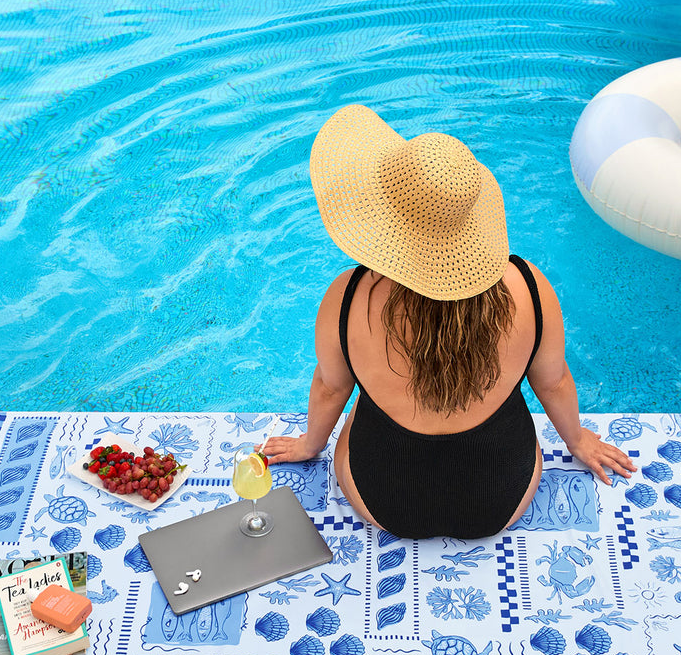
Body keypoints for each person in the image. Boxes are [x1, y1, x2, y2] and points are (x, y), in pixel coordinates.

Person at [263, 104, 636, 539]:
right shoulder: (530, 288)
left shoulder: (347, 298)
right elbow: (552, 383)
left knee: (360, 407)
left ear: (381, 218)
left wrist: (311, 444)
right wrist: (577, 441)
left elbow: (330, 388)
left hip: (383, 499)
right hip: (502, 497)